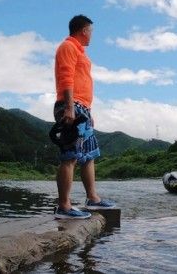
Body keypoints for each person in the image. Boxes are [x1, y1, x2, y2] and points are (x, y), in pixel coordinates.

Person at [53, 14, 116, 219]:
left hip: (83, 109)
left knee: (89, 156)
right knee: (70, 156)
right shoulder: (68, 47)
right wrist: (70, 108)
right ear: (83, 30)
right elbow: (66, 78)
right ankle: (64, 206)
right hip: (71, 106)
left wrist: (88, 112)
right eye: (91, 31)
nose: (92, 35)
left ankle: (93, 198)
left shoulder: (81, 52)